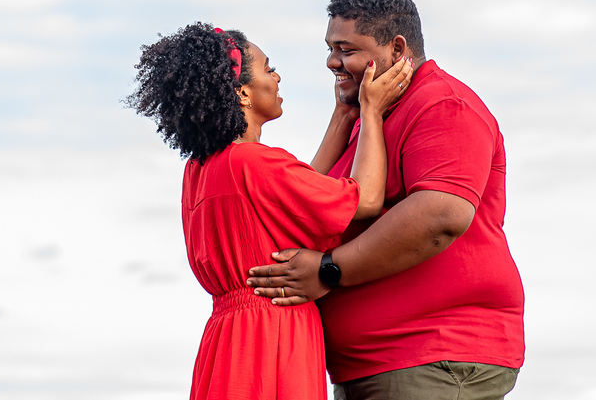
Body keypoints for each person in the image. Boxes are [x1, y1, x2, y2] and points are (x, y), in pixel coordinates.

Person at [245, 0, 525, 399]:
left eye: (347, 49)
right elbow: (314, 205)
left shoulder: (442, 104)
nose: (331, 62)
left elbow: (440, 216)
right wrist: (346, 116)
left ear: (396, 50)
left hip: (431, 355)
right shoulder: (369, 119)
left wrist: (328, 270)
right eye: (330, 48)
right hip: (376, 365)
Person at [127, 22, 413, 400]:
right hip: (273, 331)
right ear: (242, 92)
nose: (277, 77)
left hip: (227, 340)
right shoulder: (255, 163)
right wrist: (371, 110)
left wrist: (345, 116)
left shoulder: (201, 169)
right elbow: (365, 200)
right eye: (268, 68)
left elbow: (306, 189)